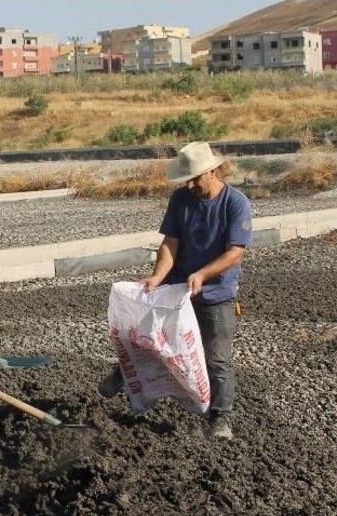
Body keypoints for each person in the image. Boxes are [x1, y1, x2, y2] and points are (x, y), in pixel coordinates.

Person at [108, 142, 253, 440]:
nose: (189, 185)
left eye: (195, 179)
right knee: (150, 338)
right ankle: (122, 375)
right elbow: (170, 243)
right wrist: (158, 277)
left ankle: (221, 417)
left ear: (212, 171)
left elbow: (235, 252)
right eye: (186, 180)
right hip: (177, 287)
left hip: (215, 293)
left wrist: (202, 274)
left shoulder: (235, 203)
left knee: (217, 359)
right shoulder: (180, 198)